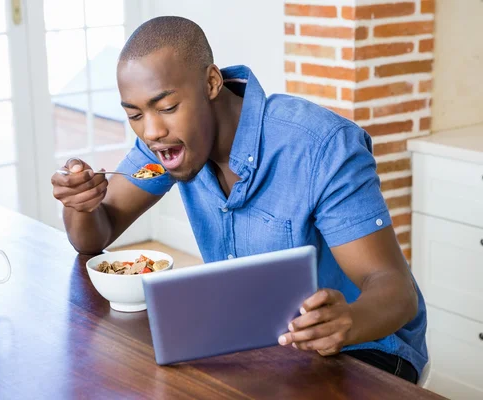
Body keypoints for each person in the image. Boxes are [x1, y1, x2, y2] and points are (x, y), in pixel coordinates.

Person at [51, 16, 427, 383]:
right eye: (135, 114)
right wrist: (80, 203)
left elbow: (395, 290)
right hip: (262, 342)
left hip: (368, 350)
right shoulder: (164, 144)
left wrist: (349, 321)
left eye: (166, 107)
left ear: (212, 83)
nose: (151, 130)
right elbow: (92, 238)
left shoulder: (321, 146)